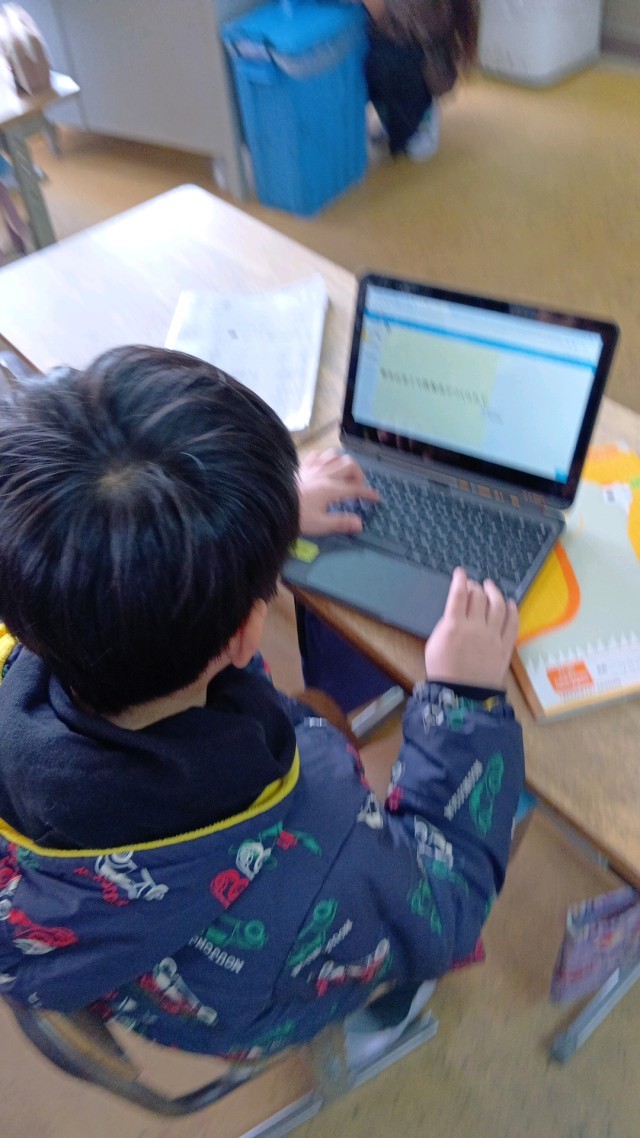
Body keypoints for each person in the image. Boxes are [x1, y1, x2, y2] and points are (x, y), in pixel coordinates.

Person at [0, 346, 524, 1062]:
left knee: (319, 711)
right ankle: (388, 1010)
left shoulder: (33, 621)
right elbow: (450, 903)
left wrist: (245, 529)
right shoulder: (323, 853)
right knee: (357, 749)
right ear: (249, 632)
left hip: (101, 954)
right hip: (254, 991)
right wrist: (464, 704)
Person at [362, 0, 479, 159]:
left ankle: (419, 123)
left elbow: (407, 23)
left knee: (387, 62)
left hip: (419, 58)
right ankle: (394, 120)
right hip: (402, 45)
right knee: (372, 59)